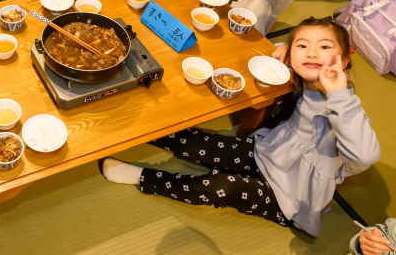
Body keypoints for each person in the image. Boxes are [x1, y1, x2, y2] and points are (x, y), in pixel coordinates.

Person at [101, 17, 380, 236]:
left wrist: (339, 95)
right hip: (263, 153)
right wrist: (285, 51)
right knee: (199, 141)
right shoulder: (303, 78)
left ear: (344, 61)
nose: (313, 53)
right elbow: (289, 58)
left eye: (325, 47)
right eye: (302, 46)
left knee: (219, 186)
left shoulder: (345, 106)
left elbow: (365, 156)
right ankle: (134, 131)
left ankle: (144, 178)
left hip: (288, 196)